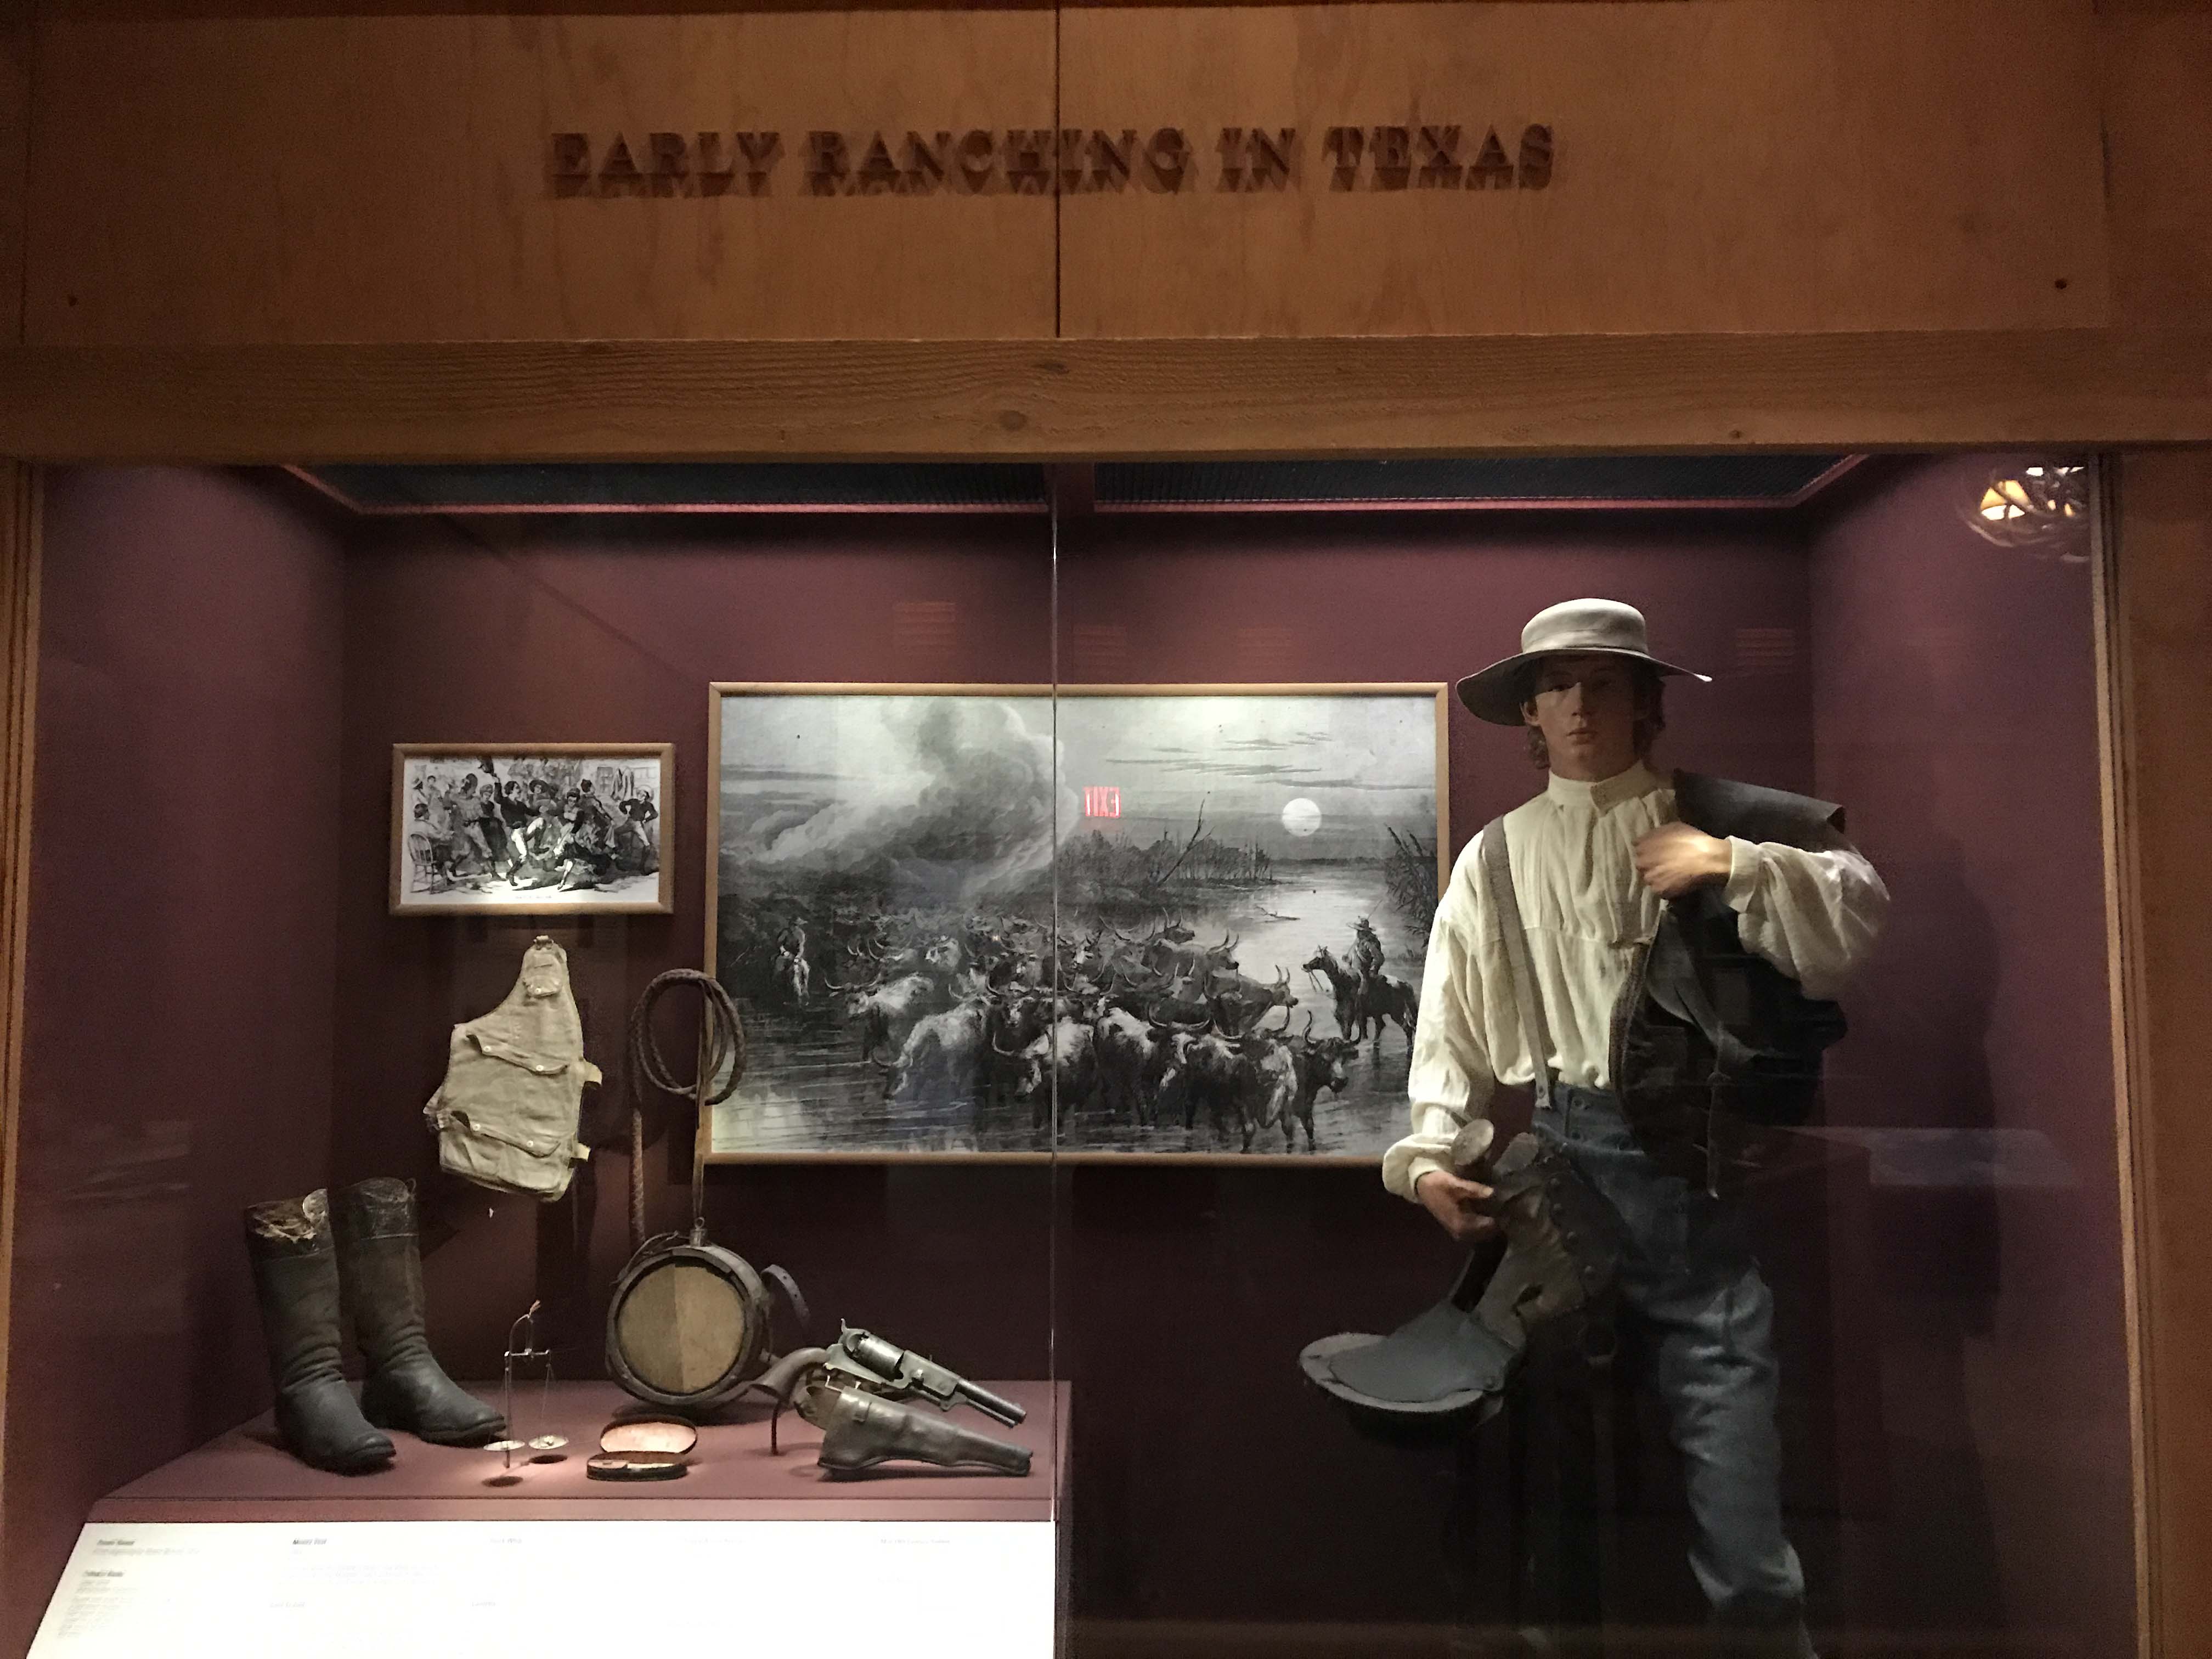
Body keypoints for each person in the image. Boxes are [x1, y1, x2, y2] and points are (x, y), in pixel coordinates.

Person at [1383, 598, 1888, 1655]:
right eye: (1555, 687)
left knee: (1741, 1513)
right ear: (1529, 712)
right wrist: (1431, 1153)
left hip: (1695, 1180)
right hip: (1558, 1185)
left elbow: (1852, 924)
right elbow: (1452, 1015)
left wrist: (1734, 864)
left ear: (1645, 700)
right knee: (1553, 1489)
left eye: (1604, 684)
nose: (1578, 707)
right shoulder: (1496, 856)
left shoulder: (1725, 822)